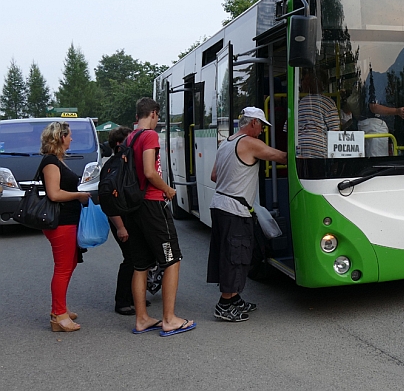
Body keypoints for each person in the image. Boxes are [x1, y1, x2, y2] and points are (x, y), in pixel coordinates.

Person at [208, 107, 287, 322]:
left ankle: (235, 299)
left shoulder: (226, 143)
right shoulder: (249, 143)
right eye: (261, 125)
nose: (262, 131)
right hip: (234, 209)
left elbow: (214, 175)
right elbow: (281, 157)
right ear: (253, 123)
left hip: (221, 205)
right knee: (236, 256)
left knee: (234, 254)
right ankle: (224, 305)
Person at [124, 97, 195, 337]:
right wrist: (167, 189)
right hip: (153, 204)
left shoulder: (129, 137)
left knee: (141, 264)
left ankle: (142, 318)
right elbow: (149, 171)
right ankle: (169, 319)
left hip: (134, 207)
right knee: (172, 260)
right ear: (153, 113)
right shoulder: (149, 136)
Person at [39, 121, 91, 332]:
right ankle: (58, 316)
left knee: (69, 264)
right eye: (69, 135)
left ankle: (59, 308)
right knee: (63, 267)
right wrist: (79, 195)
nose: (72, 139)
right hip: (61, 222)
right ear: (61, 137)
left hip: (68, 220)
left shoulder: (57, 161)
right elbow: (54, 194)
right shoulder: (51, 162)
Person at [106, 126, 152, 316]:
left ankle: (133, 297)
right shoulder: (113, 167)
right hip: (121, 219)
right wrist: (120, 227)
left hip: (129, 217)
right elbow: (108, 200)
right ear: (119, 144)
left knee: (138, 258)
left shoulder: (124, 163)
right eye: (128, 140)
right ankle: (122, 301)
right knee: (131, 259)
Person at [297, 68, 340, 157]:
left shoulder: (299, 103)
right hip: (319, 147)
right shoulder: (329, 103)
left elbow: (289, 128)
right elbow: (335, 131)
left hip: (299, 147)